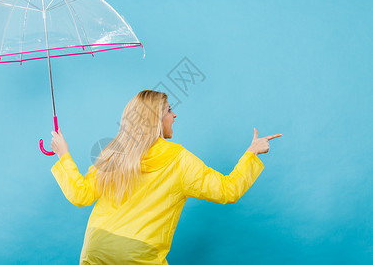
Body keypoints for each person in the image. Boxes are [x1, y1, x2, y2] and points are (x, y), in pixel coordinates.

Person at [50, 90, 282, 264]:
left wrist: (63, 155)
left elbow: (80, 195)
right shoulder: (178, 159)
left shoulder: (113, 152)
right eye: (169, 110)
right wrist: (252, 153)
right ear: (156, 120)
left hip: (96, 247)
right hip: (138, 254)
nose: (174, 115)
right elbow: (227, 190)